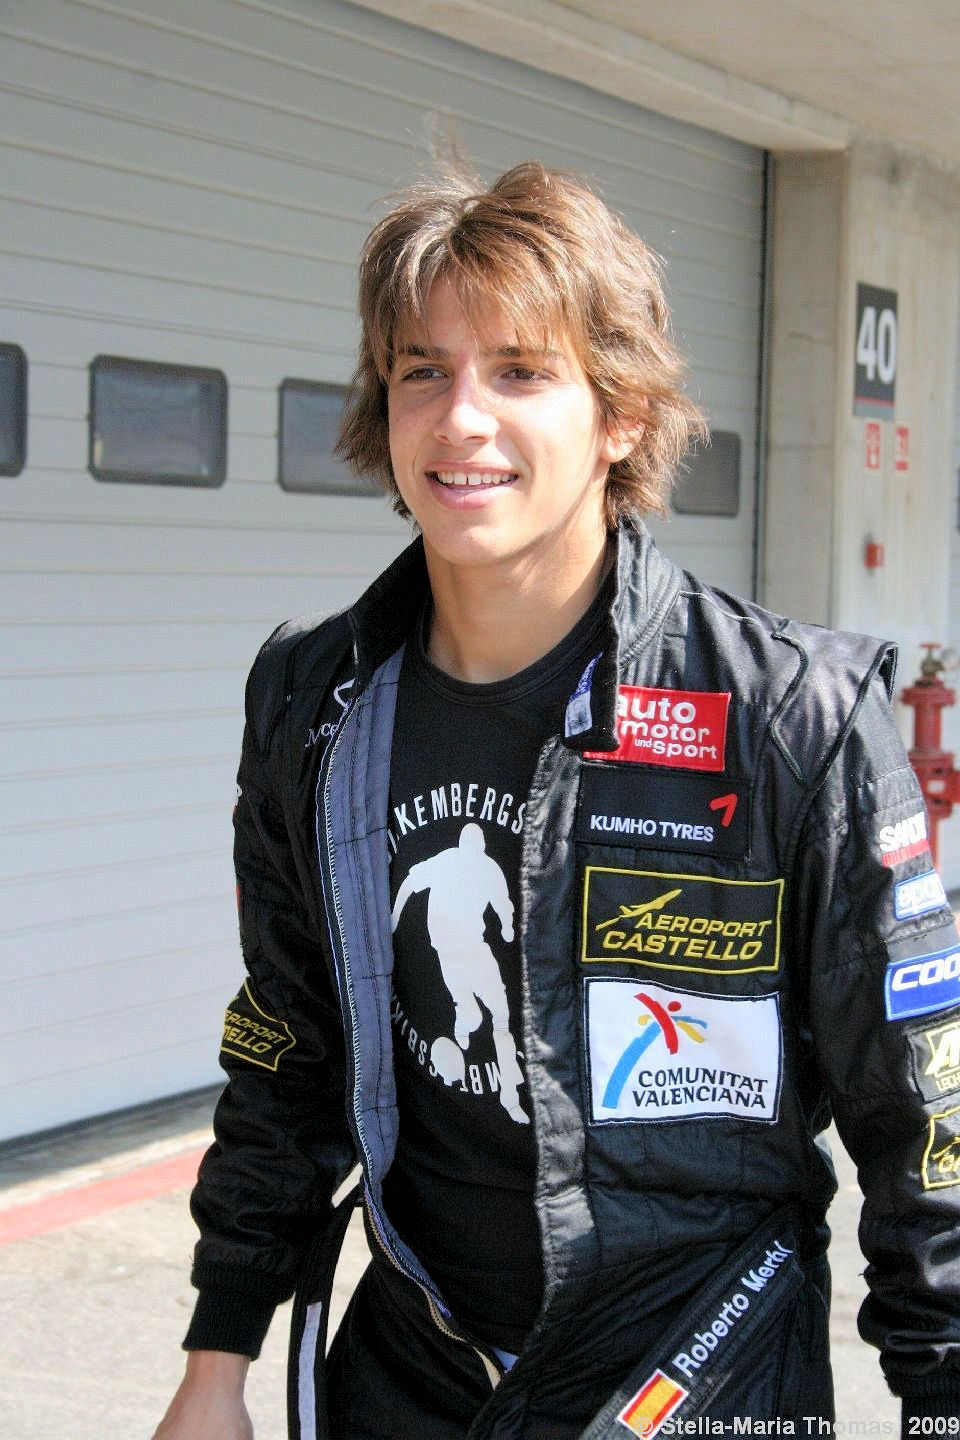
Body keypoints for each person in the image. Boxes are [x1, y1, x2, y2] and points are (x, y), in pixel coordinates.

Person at [153, 161, 960, 1440]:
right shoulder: (315, 703)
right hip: (410, 1378)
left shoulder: (790, 716)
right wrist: (218, 1360)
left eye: (521, 371)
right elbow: (287, 1049)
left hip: (695, 1386)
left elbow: (924, 1118)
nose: (462, 418)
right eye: (423, 370)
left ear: (622, 414)